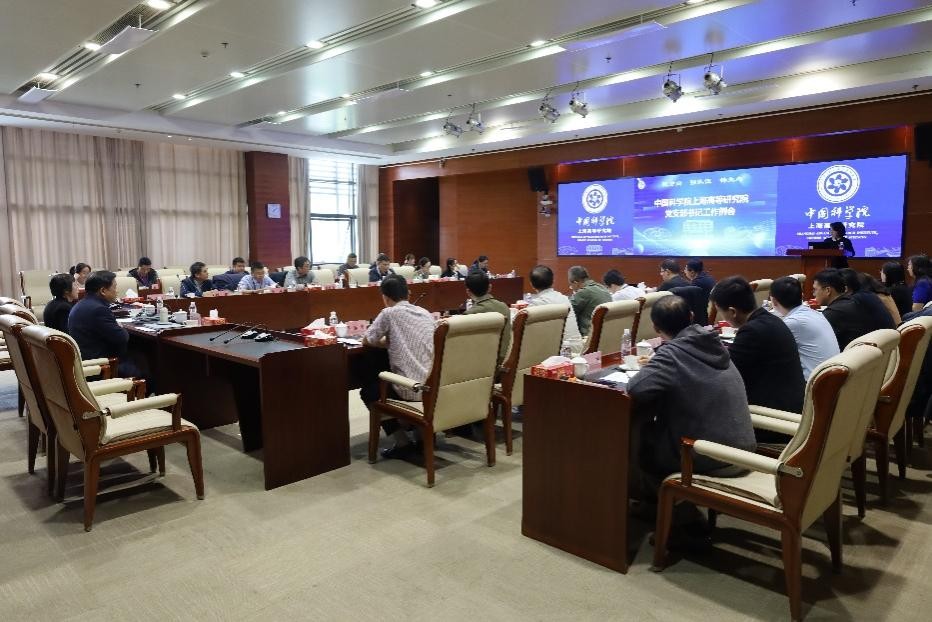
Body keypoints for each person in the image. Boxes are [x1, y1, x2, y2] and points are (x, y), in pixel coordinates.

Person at [626, 295, 756, 487]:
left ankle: (650, 498)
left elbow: (635, 388)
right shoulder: (714, 343)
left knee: (637, 434)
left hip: (710, 456)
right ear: (691, 316)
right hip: (744, 449)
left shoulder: (671, 354)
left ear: (656, 328)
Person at [360, 275, 436, 458]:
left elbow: (368, 339)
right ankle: (422, 437)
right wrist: (394, 342)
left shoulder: (389, 313)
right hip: (433, 386)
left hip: (412, 389)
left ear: (385, 298)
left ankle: (403, 443)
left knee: (369, 392)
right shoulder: (425, 313)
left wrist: (388, 343)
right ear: (408, 294)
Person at [711, 276, 806, 416]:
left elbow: (727, 374)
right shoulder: (771, 319)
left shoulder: (751, 332)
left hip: (774, 416)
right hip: (792, 404)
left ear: (732, 312)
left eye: (721, 312)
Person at [769, 276, 839, 381]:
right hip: (831, 379)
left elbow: (770, 352)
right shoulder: (815, 314)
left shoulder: (792, 323)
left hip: (814, 384)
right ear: (801, 296)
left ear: (774, 301)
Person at [68, 271, 136, 377]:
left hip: (86, 362)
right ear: (103, 291)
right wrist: (120, 327)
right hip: (103, 366)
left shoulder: (81, 304)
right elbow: (122, 338)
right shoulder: (99, 309)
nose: (117, 291)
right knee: (148, 371)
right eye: (114, 287)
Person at [813, 268, 882, 350]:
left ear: (828, 290)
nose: (814, 294)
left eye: (815, 289)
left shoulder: (834, 312)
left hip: (849, 356)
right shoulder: (853, 303)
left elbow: (814, 340)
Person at [464, 271, 511, 366]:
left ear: (468, 292)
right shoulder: (504, 307)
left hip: (482, 365)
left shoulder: (469, 315)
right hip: (506, 360)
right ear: (490, 287)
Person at [527, 265, 581, 342]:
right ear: (553, 281)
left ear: (531, 284)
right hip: (577, 345)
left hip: (560, 348)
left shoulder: (536, 305)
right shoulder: (564, 298)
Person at [568, 265, 611, 337]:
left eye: (571, 285)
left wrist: (574, 295)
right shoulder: (602, 287)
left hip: (589, 336)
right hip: (604, 333)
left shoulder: (584, 292)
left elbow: (568, 310)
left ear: (576, 283)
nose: (571, 288)